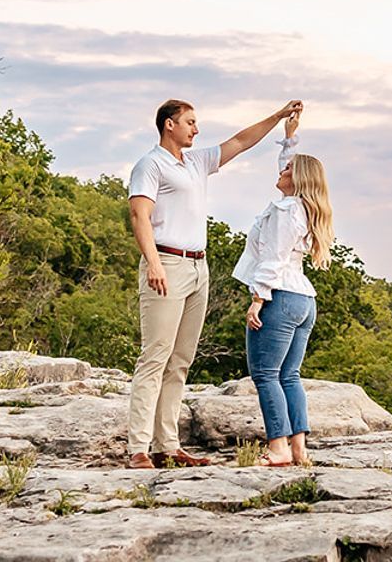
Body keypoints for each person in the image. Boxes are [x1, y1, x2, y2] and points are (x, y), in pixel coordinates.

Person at [125, 96, 302, 469]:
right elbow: (140, 216)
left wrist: (278, 115)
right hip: (166, 262)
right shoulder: (150, 164)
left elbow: (240, 142)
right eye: (190, 122)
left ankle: (167, 445)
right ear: (169, 124)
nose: (196, 128)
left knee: (180, 361)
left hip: (198, 268)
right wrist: (153, 263)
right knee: (155, 356)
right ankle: (138, 447)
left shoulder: (196, 161)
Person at [230, 108, 334, 467]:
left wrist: (258, 301)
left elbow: (272, 258)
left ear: (298, 179)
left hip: (280, 297)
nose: (281, 170)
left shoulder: (286, 209)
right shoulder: (304, 208)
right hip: (304, 299)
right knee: (289, 375)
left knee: (265, 374)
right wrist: (291, 135)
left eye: (287, 169)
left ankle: (277, 448)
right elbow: (293, 166)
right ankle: (299, 449)